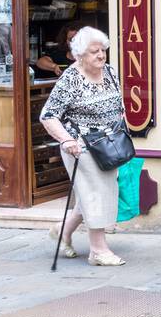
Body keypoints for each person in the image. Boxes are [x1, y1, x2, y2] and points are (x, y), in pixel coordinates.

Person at [38, 27, 126, 267]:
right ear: (79, 55)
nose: (101, 55)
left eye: (103, 50)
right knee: (94, 194)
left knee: (91, 195)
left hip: (109, 144)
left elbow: (118, 103)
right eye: (94, 51)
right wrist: (66, 140)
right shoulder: (71, 79)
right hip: (81, 146)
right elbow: (48, 115)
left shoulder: (109, 72)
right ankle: (98, 250)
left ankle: (62, 231)